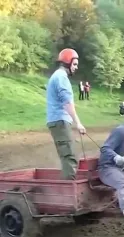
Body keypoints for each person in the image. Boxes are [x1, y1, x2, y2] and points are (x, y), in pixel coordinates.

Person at [46, 48, 86, 180]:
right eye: (74, 64)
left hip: (58, 120)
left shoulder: (57, 76)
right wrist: (78, 123)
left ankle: (66, 186)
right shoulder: (61, 78)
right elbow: (67, 103)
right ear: (67, 63)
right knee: (70, 156)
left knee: (67, 155)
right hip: (60, 120)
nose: (76, 67)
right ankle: (68, 189)